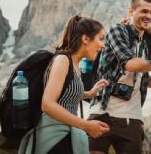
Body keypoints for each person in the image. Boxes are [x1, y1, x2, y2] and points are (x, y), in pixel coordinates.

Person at [88, 0, 151, 154]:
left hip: (133, 119)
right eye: (144, 11)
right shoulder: (117, 31)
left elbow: (144, 76)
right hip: (102, 113)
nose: (149, 16)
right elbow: (130, 64)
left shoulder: (148, 43)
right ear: (131, 11)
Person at [19, 15, 110, 154]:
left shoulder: (74, 64)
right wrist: (86, 126)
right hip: (53, 138)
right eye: (101, 38)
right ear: (85, 39)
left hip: (65, 135)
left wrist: (89, 93)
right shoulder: (62, 60)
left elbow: (64, 95)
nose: (103, 45)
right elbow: (47, 104)